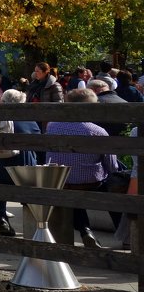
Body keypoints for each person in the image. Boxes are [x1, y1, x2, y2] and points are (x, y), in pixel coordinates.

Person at [46, 87, 120, 248]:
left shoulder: (52, 126)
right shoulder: (97, 131)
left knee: (71, 189)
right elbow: (112, 165)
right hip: (91, 182)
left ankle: (85, 230)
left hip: (61, 180)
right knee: (114, 187)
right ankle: (123, 234)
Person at [0, 89, 40, 237]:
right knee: (32, 166)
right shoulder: (26, 120)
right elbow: (38, 140)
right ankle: (33, 228)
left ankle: (2, 217)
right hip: (20, 172)